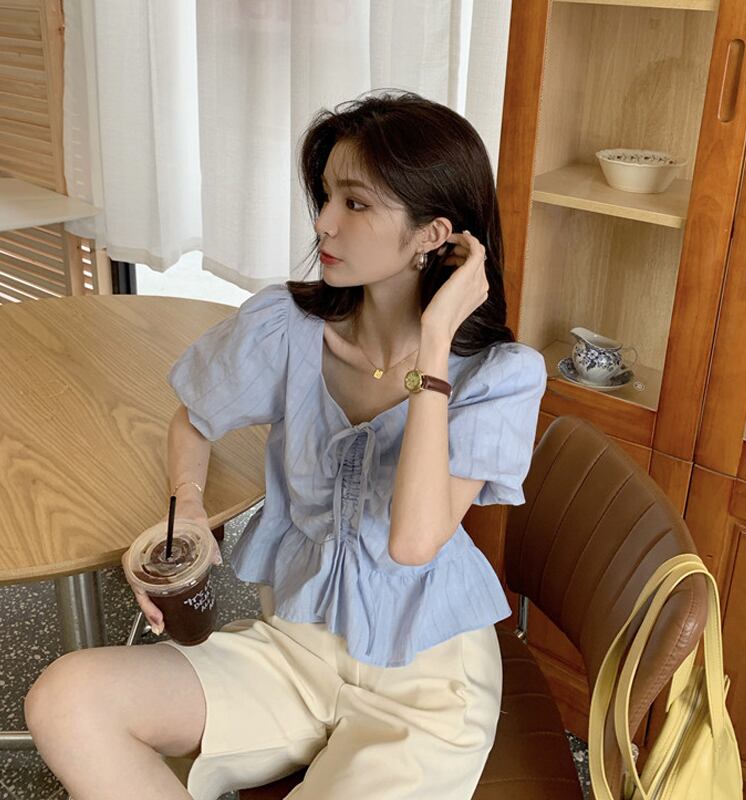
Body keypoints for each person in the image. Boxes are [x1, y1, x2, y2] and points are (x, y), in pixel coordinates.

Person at [24, 90, 547, 800]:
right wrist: (189, 512)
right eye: (326, 195)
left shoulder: (500, 377)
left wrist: (435, 345)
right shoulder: (286, 326)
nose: (324, 221)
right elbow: (193, 421)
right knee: (66, 700)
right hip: (294, 647)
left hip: (424, 684)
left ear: (433, 236)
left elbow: (415, 540)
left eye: (355, 203)